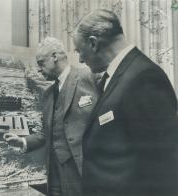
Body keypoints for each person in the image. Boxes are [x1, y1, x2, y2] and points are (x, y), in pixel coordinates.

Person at [73, 9, 178, 196]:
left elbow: (163, 165)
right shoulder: (122, 74)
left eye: (80, 51)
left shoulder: (144, 77)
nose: (80, 59)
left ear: (93, 43)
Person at [4, 37, 99, 196]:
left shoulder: (88, 77)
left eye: (41, 62)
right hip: (54, 173)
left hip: (82, 171)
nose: (39, 69)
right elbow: (47, 132)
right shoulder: (48, 94)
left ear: (55, 56)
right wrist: (22, 141)